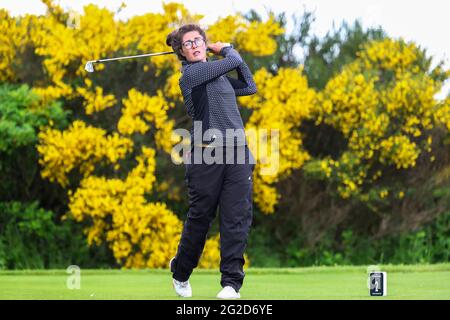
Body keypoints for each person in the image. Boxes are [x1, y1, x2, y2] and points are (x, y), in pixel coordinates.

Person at [166, 23, 257, 299]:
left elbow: (250, 86)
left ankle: (231, 284)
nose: (194, 45)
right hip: (206, 154)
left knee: (236, 217)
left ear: (204, 44)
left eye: (198, 40)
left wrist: (230, 55)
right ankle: (180, 271)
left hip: (237, 153)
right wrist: (226, 48)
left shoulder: (218, 77)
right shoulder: (191, 75)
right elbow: (234, 60)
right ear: (182, 52)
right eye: (188, 43)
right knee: (200, 218)